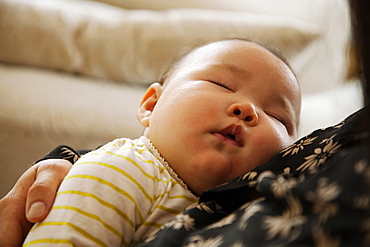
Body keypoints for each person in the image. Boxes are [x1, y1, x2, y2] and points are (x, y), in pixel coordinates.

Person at [18, 38, 301, 246]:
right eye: (221, 84)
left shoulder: (254, 206)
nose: (248, 109)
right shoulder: (122, 170)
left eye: (277, 117)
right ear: (152, 105)